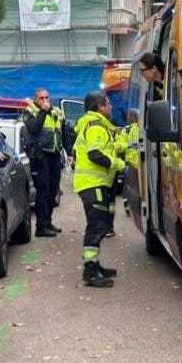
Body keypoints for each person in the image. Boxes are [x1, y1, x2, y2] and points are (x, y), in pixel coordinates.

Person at [73, 92, 126, 287]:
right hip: (91, 183)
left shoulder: (95, 125)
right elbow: (95, 154)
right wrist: (120, 165)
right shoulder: (95, 126)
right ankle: (90, 272)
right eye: (109, 103)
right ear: (100, 107)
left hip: (93, 183)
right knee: (96, 227)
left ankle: (95, 265)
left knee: (100, 225)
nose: (111, 106)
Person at [21, 88, 67, 237]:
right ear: (36, 99)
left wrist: (70, 152)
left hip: (54, 154)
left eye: (47, 97)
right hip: (40, 156)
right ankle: (41, 226)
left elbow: (64, 132)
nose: (45, 100)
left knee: (53, 190)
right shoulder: (29, 111)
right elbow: (33, 129)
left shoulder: (57, 111)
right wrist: (42, 111)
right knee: (43, 190)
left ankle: (48, 222)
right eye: (41, 98)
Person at [123, 108, 140, 216]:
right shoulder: (126, 130)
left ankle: (131, 207)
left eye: (131, 115)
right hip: (132, 162)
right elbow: (121, 145)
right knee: (131, 186)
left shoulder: (129, 129)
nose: (128, 117)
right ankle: (129, 207)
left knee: (132, 186)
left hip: (135, 162)